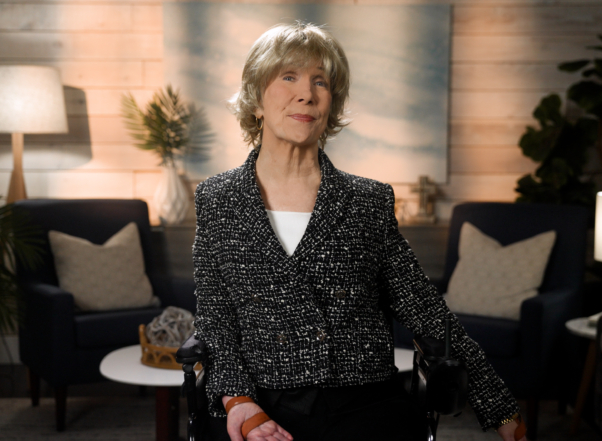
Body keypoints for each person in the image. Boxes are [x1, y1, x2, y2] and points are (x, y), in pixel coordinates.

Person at [192, 22, 527, 441]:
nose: (306, 93)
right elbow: (216, 320)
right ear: (256, 98)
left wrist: (503, 413)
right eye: (289, 77)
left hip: (364, 405)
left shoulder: (367, 202)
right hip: (261, 404)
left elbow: (428, 314)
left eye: (321, 82)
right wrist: (239, 402)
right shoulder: (217, 199)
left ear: (330, 105)